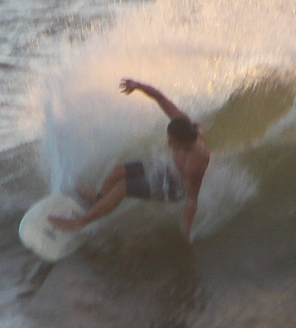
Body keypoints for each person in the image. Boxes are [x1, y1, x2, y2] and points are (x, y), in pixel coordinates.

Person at [49, 78, 210, 242]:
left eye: (172, 141)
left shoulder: (196, 162)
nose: (168, 143)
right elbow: (160, 98)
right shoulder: (182, 122)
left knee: (122, 187)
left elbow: (191, 199)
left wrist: (186, 232)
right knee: (117, 172)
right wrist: (138, 86)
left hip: (173, 188)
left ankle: (79, 223)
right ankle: (98, 203)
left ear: (183, 142)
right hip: (167, 167)